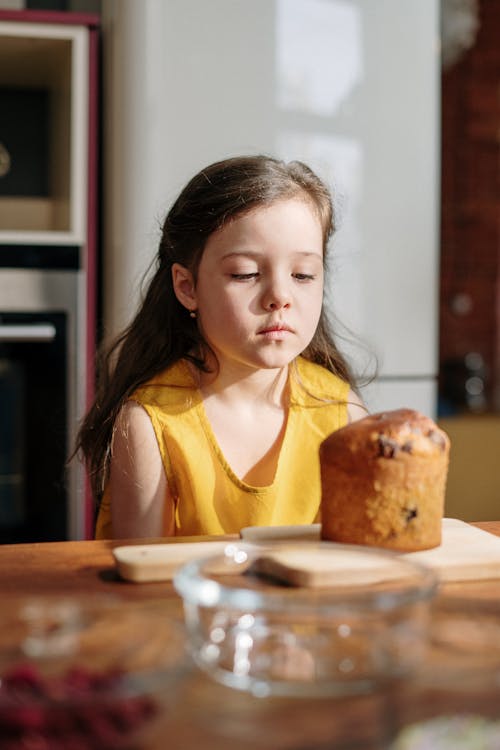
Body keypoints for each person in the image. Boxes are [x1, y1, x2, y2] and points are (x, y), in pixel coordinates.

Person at [76, 154, 367, 539]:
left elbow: (359, 561)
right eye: (245, 273)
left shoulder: (342, 415)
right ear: (187, 287)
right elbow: (142, 582)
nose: (280, 296)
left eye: (302, 274)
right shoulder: (149, 424)